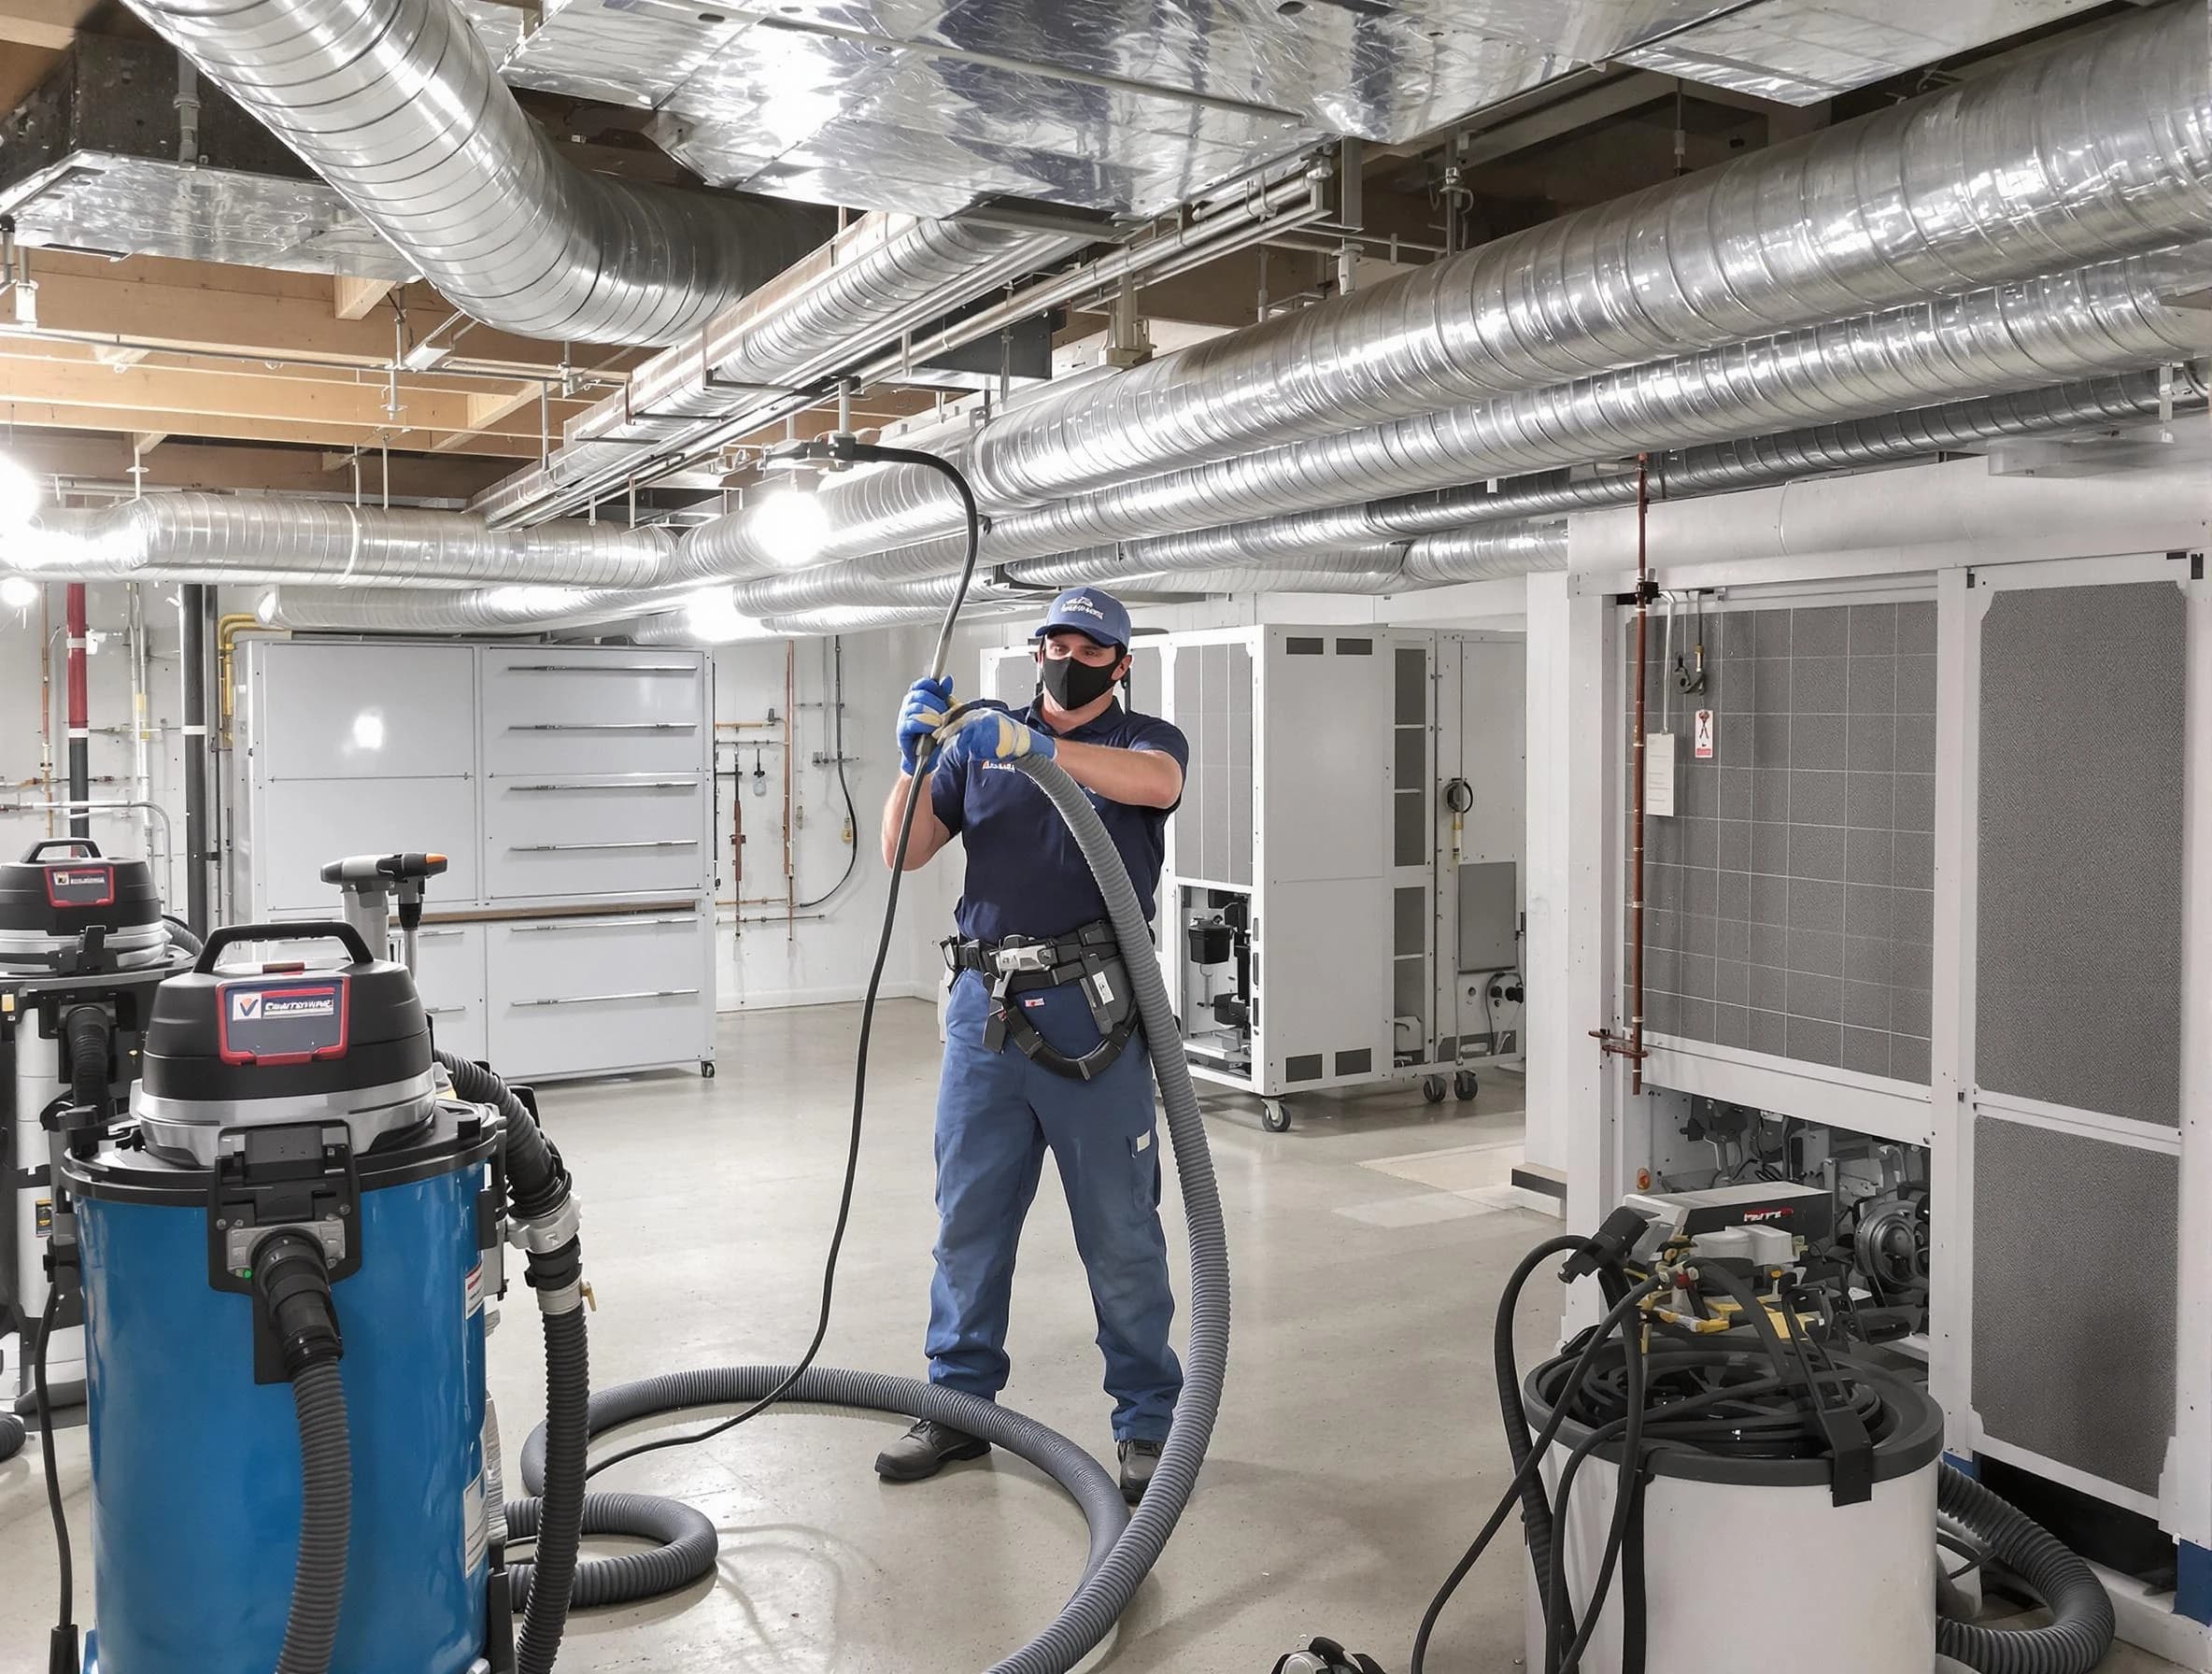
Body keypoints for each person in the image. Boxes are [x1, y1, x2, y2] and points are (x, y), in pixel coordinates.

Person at [874, 587, 1187, 1505]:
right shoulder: (982, 742)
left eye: (1089, 645)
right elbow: (904, 851)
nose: (1067, 653)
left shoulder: (1141, 742)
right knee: (967, 1221)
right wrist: (914, 762)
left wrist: (1043, 752)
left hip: (1094, 1015)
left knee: (1121, 1230)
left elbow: (1156, 787)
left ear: (1119, 662)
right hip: (984, 1014)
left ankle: (1147, 1420)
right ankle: (958, 1407)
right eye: (1054, 638)